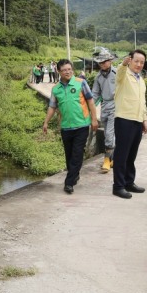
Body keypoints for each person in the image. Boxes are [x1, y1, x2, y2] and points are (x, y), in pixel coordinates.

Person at [42, 59, 99, 194]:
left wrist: (94, 119)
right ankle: (74, 174)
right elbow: (52, 106)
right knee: (69, 155)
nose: (67, 72)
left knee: (77, 153)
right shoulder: (56, 88)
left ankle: (68, 182)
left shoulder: (81, 83)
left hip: (82, 125)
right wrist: (46, 122)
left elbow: (90, 101)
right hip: (66, 127)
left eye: (69, 69)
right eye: (64, 70)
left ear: (72, 69)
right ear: (59, 72)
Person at [112, 50, 147, 199]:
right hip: (124, 119)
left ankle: (129, 182)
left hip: (137, 121)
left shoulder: (141, 80)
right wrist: (123, 64)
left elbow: (142, 102)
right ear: (130, 60)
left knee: (131, 155)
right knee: (121, 155)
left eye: (142, 62)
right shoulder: (123, 75)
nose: (139, 64)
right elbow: (120, 72)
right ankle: (118, 186)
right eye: (136, 61)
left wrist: (144, 119)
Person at [91, 49, 117, 173]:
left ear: (110, 61)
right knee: (108, 132)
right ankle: (112, 158)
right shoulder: (98, 77)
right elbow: (95, 94)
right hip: (105, 105)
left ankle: (106, 160)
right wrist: (88, 108)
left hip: (116, 105)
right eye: (100, 62)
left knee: (110, 134)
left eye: (104, 62)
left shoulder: (118, 73)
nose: (102, 64)